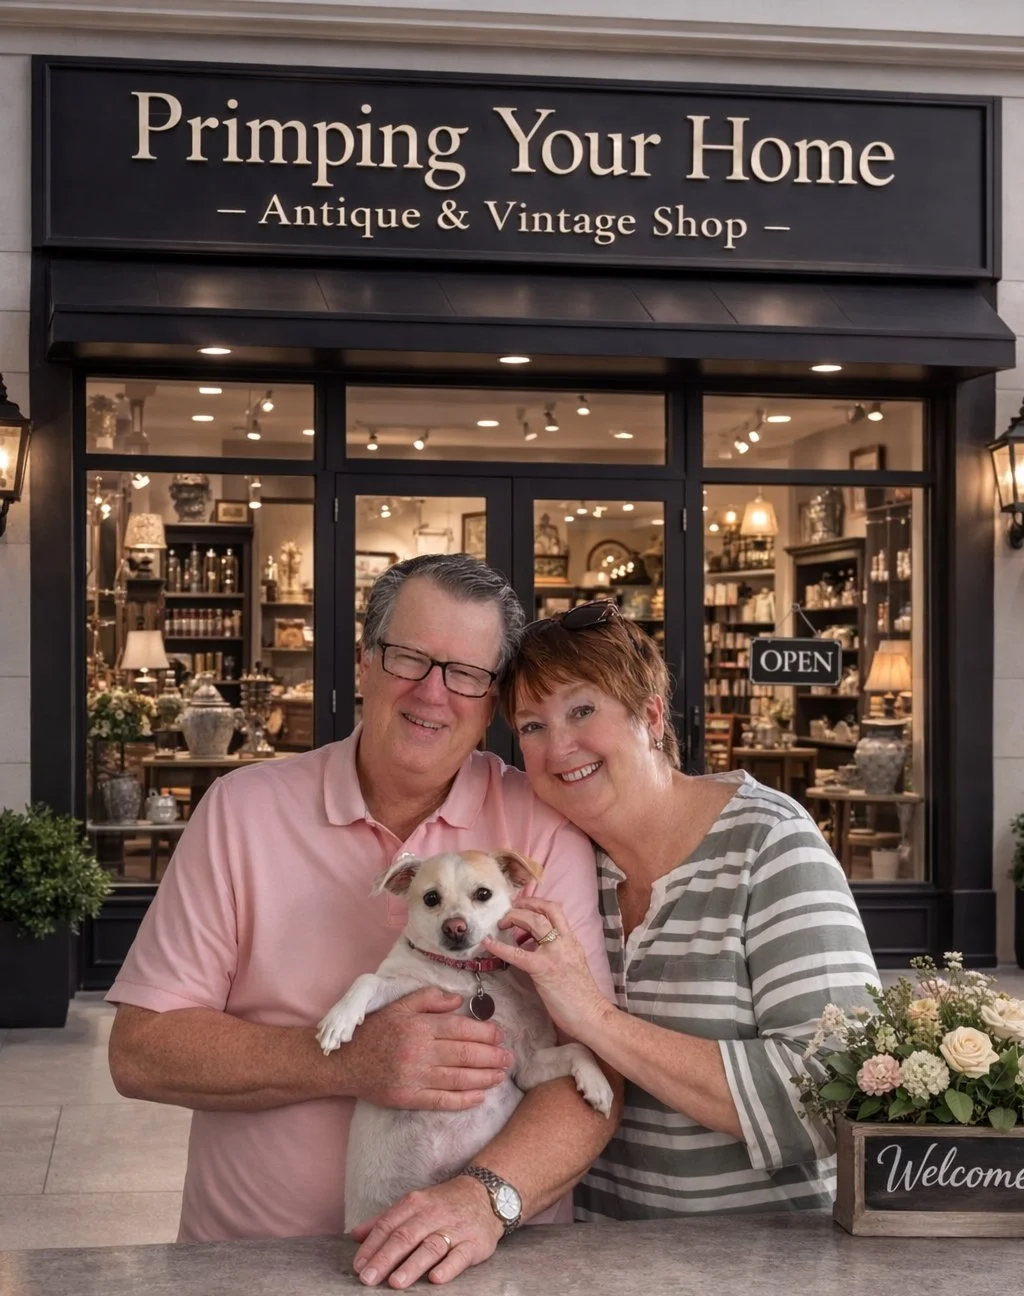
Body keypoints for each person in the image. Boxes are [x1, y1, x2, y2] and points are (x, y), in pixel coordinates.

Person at [106, 555, 621, 1288]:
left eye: (466, 672)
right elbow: (141, 1051)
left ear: (492, 698)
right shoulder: (241, 810)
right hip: (257, 1263)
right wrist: (346, 1060)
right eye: (408, 657)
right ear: (364, 663)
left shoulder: (538, 827)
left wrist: (480, 1203)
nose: (433, 693)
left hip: (484, 1263)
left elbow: (592, 1067)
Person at [485, 600, 879, 1219]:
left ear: (650, 714)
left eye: (582, 709)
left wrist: (593, 1017)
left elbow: (837, 1093)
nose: (559, 746)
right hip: (593, 1259)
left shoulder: (769, 843)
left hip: (762, 1261)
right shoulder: (562, 859)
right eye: (531, 726)